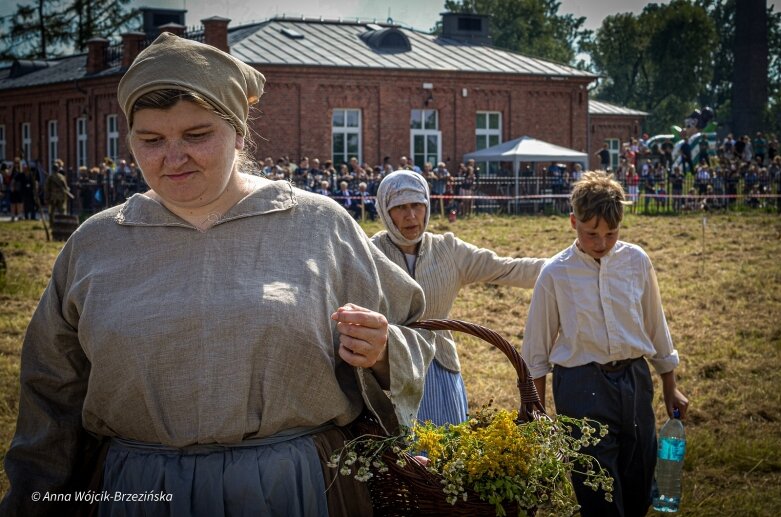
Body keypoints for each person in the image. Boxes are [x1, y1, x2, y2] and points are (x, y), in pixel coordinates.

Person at [0, 32, 436, 517]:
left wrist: (381, 353)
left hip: (294, 489)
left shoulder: (320, 225)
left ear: (240, 132)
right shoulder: (96, 244)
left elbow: (415, 335)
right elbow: (50, 395)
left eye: (196, 135)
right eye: (150, 140)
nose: (173, 157)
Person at [521, 171, 689, 517]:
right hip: (581, 386)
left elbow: (656, 324)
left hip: (634, 381)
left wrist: (670, 384)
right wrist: (535, 409)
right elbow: (536, 351)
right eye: (591, 233)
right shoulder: (555, 273)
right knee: (598, 490)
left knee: (639, 478)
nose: (601, 242)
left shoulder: (636, 262)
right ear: (573, 222)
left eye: (611, 233)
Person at [372, 170, 545, 426]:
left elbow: (505, 268)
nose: (410, 216)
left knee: (447, 448)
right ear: (385, 211)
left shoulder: (448, 250)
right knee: (401, 455)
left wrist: (564, 267)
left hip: (440, 367)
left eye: (417, 205)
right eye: (400, 208)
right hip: (391, 371)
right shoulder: (370, 253)